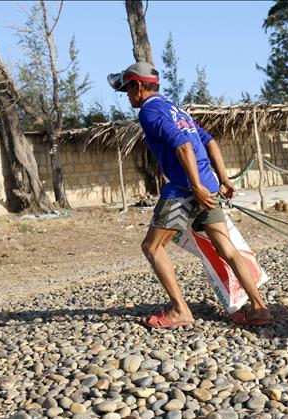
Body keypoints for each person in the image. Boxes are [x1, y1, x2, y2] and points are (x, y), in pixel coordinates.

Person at [108, 62, 271, 328]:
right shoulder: (175, 109)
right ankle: (259, 307)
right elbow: (209, 141)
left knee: (152, 247)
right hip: (208, 184)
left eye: (127, 90)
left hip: (185, 187)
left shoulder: (149, 111)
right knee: (227, 249)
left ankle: (180, 310)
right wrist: (223, 179)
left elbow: (183, 146)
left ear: (138, 86)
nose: (128, 96)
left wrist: (195, 186)